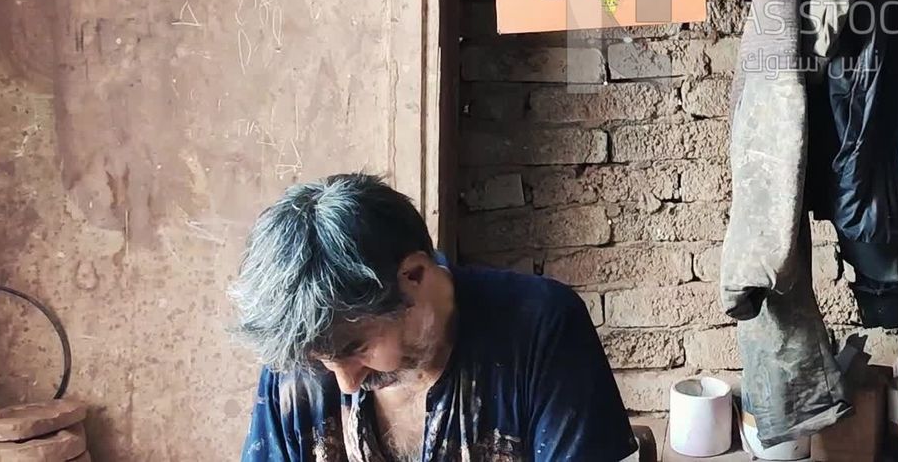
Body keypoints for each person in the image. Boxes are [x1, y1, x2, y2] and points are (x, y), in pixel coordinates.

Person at [233, 173, 637, 462]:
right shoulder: (301, 358)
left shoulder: (541, 328)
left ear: (413, 276)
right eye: (323, 361)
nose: (346, 383)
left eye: (357, 348)